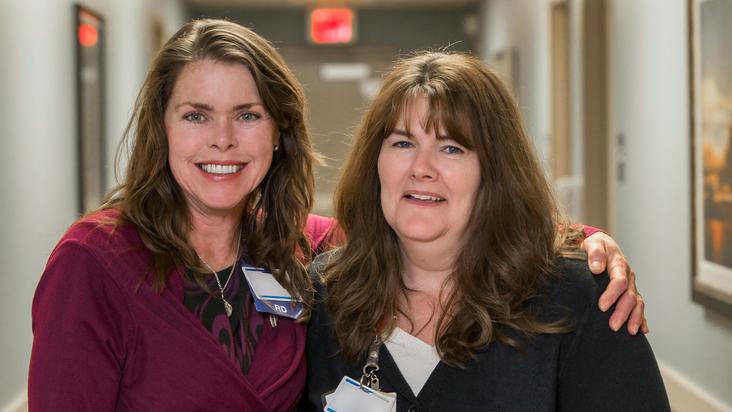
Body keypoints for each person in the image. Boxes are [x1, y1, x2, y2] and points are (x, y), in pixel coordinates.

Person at [29, 19, 643, 411]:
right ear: (160, 130)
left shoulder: (300, 251)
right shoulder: (95, 264)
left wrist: (586, 247)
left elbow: (428, 226)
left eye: (247, 114)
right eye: (195, 115)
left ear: (278, 134)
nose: (222, 140)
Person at [305, 52, 669, 411]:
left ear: (494, 173)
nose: (421, 168)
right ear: (375, 163)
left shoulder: (576, 295)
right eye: (403, 143)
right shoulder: (329, 291)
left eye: (451, 148)